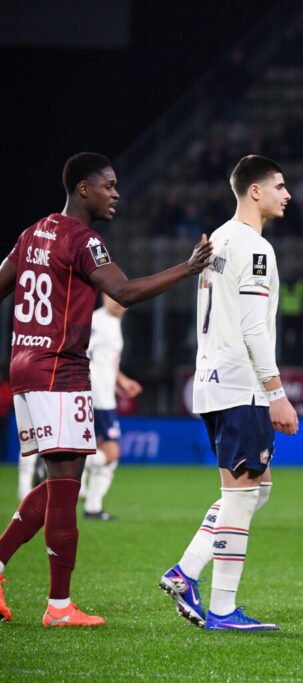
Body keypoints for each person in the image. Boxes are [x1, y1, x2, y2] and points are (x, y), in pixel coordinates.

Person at [0, 152, 212, 627]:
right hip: (60, 369)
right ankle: (58, 607)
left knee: (59, 483)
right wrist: (187, 268)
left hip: (25, 366)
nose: (116, 193)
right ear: (83, 189)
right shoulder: (83, 240)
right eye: (108, 185)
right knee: (66, 485)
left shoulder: (32, 232)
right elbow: (127, 292)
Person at [160, 155, 299, 632]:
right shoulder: (255, 247)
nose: (287, 194)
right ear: (255, 191)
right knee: (243, 493)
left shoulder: (217, 239)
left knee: (254, 490)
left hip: (212, 380)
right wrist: (275, 390)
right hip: (242, 383)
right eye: (279, 186)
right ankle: (220, 607)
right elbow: (253, 325)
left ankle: (187, 571)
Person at [82, 293, 143, 520]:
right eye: (113, 296)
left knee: (108, 456)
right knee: (111, 452)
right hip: (97, 398)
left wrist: (122, 380)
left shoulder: (111, 323)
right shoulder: (98, 322)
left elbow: (104, 359)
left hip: (102, 395)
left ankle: (93, 507)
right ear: (103, 296)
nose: (118, 301)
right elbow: (84, 355)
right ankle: (57, 464)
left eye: (122, 297)